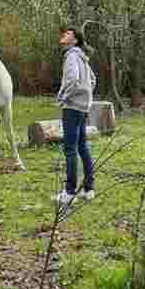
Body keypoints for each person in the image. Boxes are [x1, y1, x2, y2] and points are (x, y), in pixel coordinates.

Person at [55, 26, 96, 207]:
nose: (64, 34)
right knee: (82, 147)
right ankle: (89, 189)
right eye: (64, 33)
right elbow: (92, 80)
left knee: (70, 149)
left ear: (75, 40)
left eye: (68, 33)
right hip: (83, 107)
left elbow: (72, 79)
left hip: (72, 107)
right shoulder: (82, 57)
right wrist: (85, 97)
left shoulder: (72, 56)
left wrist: (64, 97)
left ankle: (69, 193)